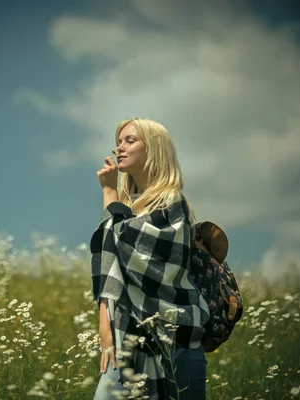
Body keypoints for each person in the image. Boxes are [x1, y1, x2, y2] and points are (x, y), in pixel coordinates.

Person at [91, 118, 209, 400]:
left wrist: (109, 193)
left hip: (176, 346)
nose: (120, 147)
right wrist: (105, 326)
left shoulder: (171, 202)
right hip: (128, 345)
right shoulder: (127, 208)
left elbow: (121, 242)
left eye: (130, 140)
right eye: (119, 141)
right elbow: (111, 264)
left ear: (154, 149)